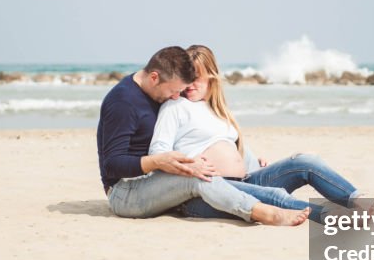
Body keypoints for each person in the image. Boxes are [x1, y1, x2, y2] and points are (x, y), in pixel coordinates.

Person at [149, 45, 374, 224]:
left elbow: (230, 148)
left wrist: (252, 163)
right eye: (187, 79)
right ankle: (339, 219)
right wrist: (189, 164)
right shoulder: (175, 107)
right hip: (207, 193)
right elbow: (158, 152)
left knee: (305, 162)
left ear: (211, 77)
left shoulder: (218, 110)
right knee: (274, 194)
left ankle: (360, 201)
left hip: (246, 180)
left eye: (196, 78)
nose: (189, 85)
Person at [97, 46, 310, 226]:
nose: (175, 97)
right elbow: (112, 165)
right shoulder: (123, 102)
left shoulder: (158, 92)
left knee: (302, 163)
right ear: (154, 77)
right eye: (173, 91)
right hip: (125, 192)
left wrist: (250, 161)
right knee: (197, 178)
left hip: (155, 183)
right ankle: (267, 213)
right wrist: (158, 161)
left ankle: (328, 211)